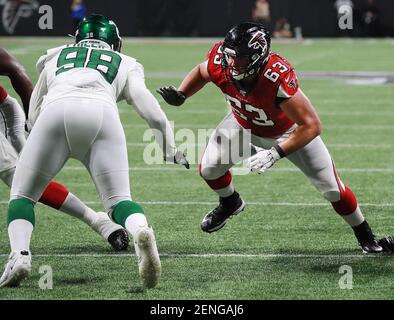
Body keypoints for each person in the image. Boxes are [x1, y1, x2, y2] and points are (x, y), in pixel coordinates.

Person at [157, 22, 394, 254]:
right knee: (209, 169)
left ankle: (366, 237)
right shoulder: (222, 61)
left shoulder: (275, 77)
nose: (231, 62)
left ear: (257, 56)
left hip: (288, 132)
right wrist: (182, 94)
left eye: (239, 57)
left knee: (333, 190)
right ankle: (230, 202)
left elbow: (311, 125)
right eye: (229, 55)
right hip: (243, 124)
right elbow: (202, 70)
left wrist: (276, 152)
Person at [0, 14, 189, 289]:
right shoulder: (126, 62)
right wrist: (168, 149)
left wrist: (35, 137)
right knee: (118, 202)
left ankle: (20, 255)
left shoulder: (56, 55)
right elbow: (153, 112)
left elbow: (35, 107)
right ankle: (140, 231)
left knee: (22, 195)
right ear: (115, 43)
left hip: (56, 111)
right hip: (102, 115)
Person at [0, 48, 129, 252]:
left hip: (4, 112)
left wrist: (32, 120)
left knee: (21, 178)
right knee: (25, 179)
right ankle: (98, 221)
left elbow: (15, 70)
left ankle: (98, 221)